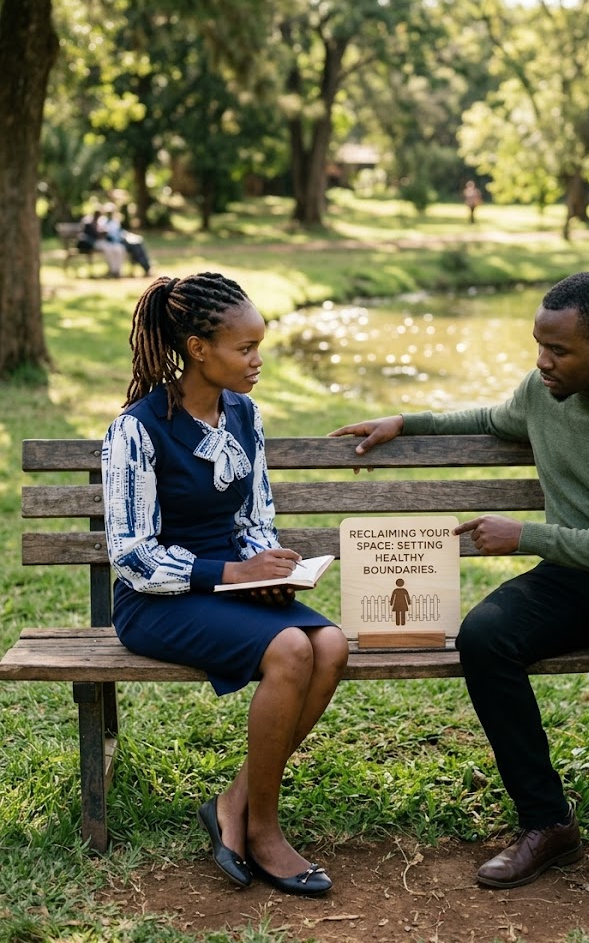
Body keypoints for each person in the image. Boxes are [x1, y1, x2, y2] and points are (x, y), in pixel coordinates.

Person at [329, 272, 589, 918]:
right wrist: (404, 421)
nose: (541, 361)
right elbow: (489, 416)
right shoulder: (544, 390)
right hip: (571, 578)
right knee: (484, 635)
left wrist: (527, 533)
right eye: (538, 343)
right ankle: (547, 824)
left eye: (558, 350)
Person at [101, 272, 348, 895]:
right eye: (245, 349)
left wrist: (271, 566)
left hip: (231, 588)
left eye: (259, 346)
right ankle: (264, 828)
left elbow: (254, 518)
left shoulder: (244, 414)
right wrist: (229, 574)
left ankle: (234, 803)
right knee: (293, 649)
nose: (257, 361)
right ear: (197, 348)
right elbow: (131, 556)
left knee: (332, 645)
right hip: (158, 601)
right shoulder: (137, 428)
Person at [103, 205, 154, 275]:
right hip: (117, 242)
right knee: (135, 247)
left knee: (138, 242)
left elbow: (120, 231)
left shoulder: (115, 221)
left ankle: (147, 266)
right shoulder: (103, 222)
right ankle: (146, 267)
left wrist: (128, 235)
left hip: (123, 239)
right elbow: (108, 235)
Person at [80, 208, 126, 277]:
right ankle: (113, 270)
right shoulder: (89, 223)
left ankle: (117, 270)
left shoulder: (104, 222)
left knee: (119, 249)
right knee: (108, 250)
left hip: (107, 242)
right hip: (95, 243)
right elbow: (89, 235)